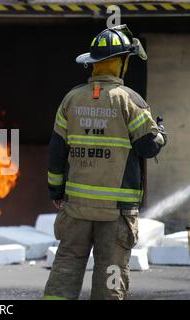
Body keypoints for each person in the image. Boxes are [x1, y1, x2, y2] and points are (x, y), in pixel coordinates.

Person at [44, 25, 167, 300]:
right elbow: (148, 147)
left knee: (67, 265)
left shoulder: (71, 99)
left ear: (95, 63)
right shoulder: (129, 101)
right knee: (110, 272)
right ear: (121, 63)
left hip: (75, 207)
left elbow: (56, 151)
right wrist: (161, 133)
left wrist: (56, 192)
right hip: (116, 213)